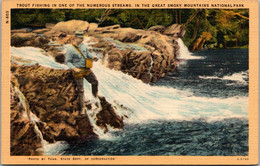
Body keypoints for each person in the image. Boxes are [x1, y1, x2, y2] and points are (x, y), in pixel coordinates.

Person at [65, 31, 99, 115]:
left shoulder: (83, 46)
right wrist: (74, 68)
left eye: (82, 37)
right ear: (75, 38)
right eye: (80, 38)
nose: (81, 39)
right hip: (78, 71)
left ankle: (95, 98)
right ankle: (82, 108)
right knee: (81, 90)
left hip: (86, 69)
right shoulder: (70, 49)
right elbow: (67, 62)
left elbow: (87, 53)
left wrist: (93, 57)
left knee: (95, 82)